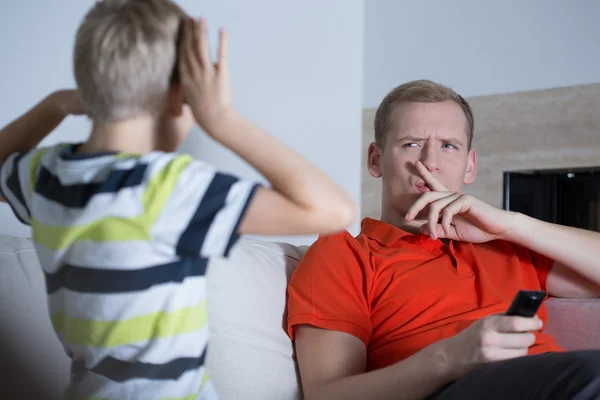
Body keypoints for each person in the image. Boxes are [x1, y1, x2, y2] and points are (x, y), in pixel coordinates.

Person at [0, 1, 357, 399]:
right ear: (179, 95)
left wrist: (56, 103)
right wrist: (222, 117)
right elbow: (334, 211)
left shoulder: (48, 175)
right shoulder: (166, 189)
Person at [286, 79, 600, 400]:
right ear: (376, 160)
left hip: (555, 380)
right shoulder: (344, 254)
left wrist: (512, 225)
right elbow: (327, 395)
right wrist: (449, 357)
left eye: (449, 145)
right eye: (411, 143)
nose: (430, 161)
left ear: (470, 165)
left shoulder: (505, 242)